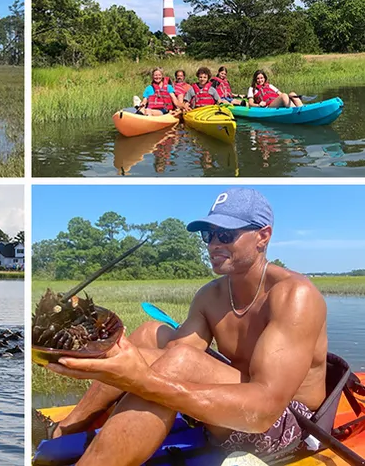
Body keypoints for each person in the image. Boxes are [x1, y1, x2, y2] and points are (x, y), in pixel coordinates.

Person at [44, 187, 328, 465]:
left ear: (263, 236)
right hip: (240, 402)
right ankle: (64, 430)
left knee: (181, 362)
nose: (214, 244)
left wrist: (139, 379)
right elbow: (171, 353)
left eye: (226, 234)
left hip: (291, 422)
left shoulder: (294, 295)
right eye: (209, 234)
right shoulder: (211, 295)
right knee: (150, 332)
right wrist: (102, 354)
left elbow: (265, 409)